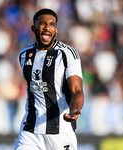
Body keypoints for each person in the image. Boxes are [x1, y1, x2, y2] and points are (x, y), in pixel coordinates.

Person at [14, 8, 84, 150]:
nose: (47, 28)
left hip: (60, 130)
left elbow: (77, 90)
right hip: (31, 129)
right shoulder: (24, 55)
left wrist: (74, 110)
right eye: (43, 24)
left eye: (52, 24)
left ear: (56, 30)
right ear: (34, 28)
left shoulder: (67, 54)